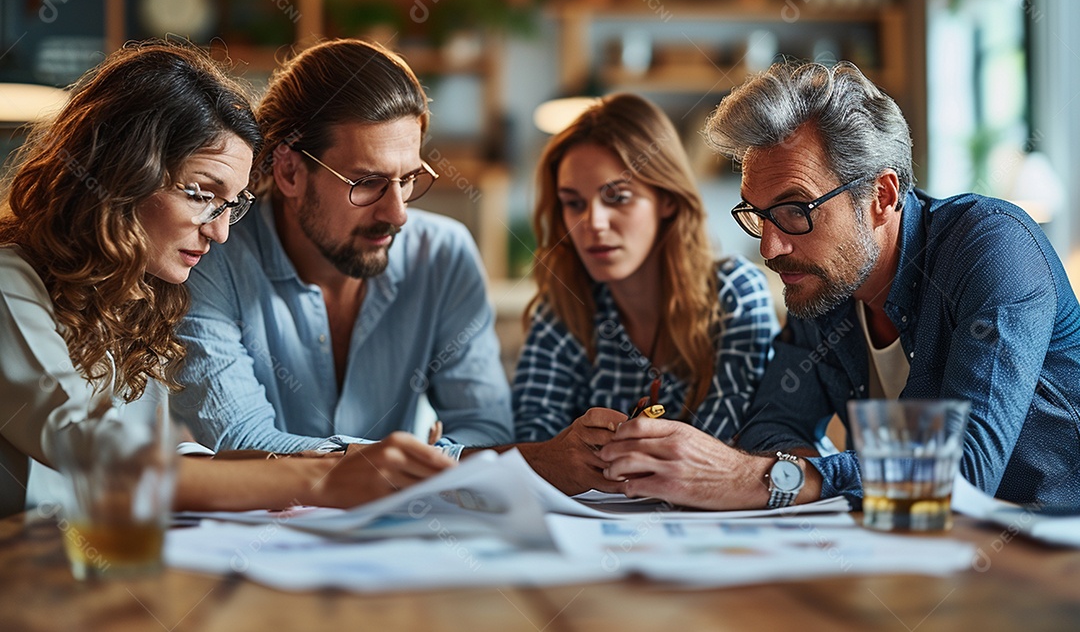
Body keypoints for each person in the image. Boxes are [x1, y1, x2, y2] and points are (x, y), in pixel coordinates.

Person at [0, 40, 451, 518]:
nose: (219, 231)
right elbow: (103, 458)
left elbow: (168, 459)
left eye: (232, 205)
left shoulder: (139, 298)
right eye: (201, 194)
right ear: (120, 175)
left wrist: (332, 458)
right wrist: (320, 477)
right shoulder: (11, 285)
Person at [601, 61, 1080, 509]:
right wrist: (791, 478)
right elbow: (773, 425)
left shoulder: (992, 246)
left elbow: (966, 475)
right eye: (759, 215)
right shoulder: (825, 285)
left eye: (795, 210)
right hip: (917, 556)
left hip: (1047, 563)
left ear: (882, 196)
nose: (770, 248)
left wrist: (768, 480)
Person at [171, 38, 512, 459]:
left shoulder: (444, 254)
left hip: (405, 522)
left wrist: (420, 462)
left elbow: (486, 427)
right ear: (291, 171)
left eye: (407, 179)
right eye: (367, 183)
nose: (398, 214)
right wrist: (418, 461)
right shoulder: (206, 256)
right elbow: (241, 443)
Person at [505, 93, 778, 495]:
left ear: (666, 199)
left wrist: (593, 458)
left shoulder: (735, 294)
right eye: (573, 203)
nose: (592, 223)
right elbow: (538, 451)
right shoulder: (563, 303)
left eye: (617, 197)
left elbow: (720, 453)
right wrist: (559, 456)